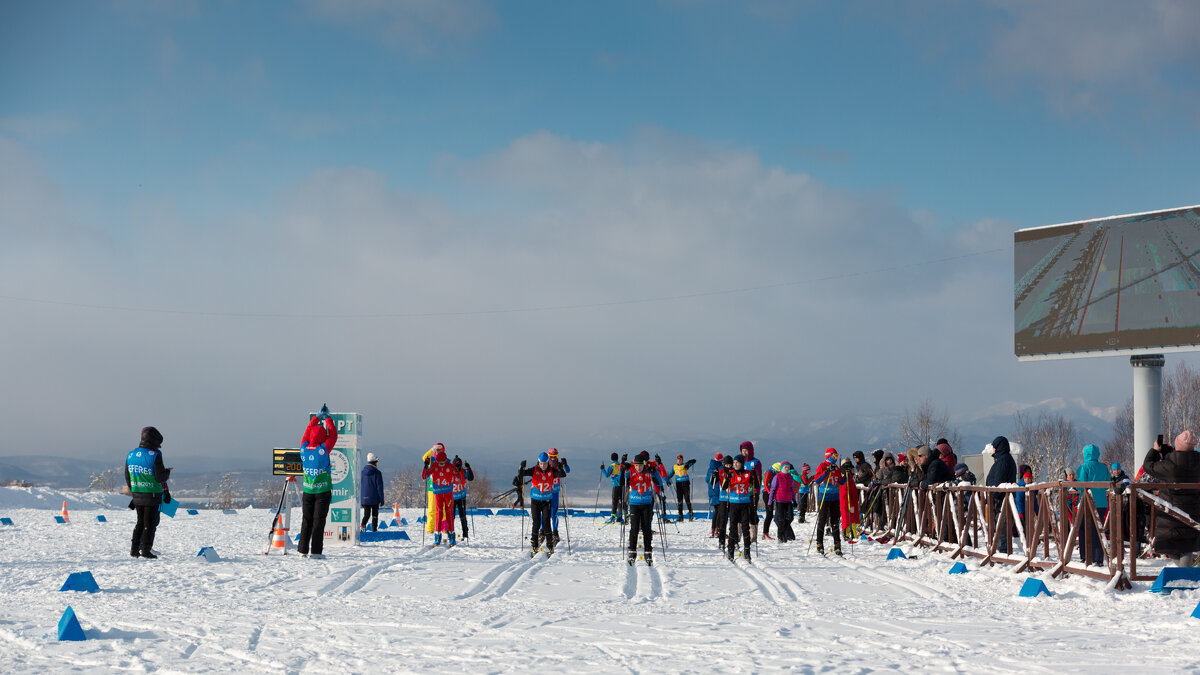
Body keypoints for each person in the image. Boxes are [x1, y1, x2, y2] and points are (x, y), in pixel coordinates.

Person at [1140, 430, 1200, 567]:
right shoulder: (1197, 462)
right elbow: (1184, 462)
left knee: (1166, 545)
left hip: (1171, 511)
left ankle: (1185, 575)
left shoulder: (1169, 465)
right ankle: (1186, 574)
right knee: (1187, 544)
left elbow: (1148, 466)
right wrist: (1170, 453)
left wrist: (1155, 451)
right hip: (1194, 510)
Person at [125, 426, 171, 559]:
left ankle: (134, 550)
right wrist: (167, 473)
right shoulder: (155, 455)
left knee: (140, 523)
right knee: (150, 524)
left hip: (137, 494)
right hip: (152, 494)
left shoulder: (131, 455)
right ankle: (146, 550)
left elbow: (127, 476)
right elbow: (160, 477)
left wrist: (134, 490)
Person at [299, 405, 338, 558]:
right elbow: (333, 435)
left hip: (308, 491)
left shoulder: (303, 448)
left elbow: (306, 433)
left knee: (306, 520)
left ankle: (302, 550)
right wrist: (327, 418)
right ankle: (316, 551)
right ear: (323, 438)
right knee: (318, 521)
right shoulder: (323, 450)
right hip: (322, 492)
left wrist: (315, 418)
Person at [519, 452, 566, 556]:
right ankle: (534, 543)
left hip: (546, 501)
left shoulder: (551, 471)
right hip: (535, 501)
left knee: (546, 522)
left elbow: (562, 475)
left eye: (545, 463)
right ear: (538, 463)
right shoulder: (534, 469)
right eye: (541, 464)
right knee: (536, 522)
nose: (543, 466)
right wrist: (521, 467)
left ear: (547, 463)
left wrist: (560, 467)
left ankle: (549, 544)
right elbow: (522, 474)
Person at [1074, 444, 1110, 565]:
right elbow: (1107, 483)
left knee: (1083, 529)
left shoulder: (1084, 467)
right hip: (1101, 503)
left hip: (1086, 502)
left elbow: (1081, 484)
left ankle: (1085, 555)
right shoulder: (1104, 468)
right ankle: (1098, 558)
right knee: (1098, 530)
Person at [626, 454, 664, 565]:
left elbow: (660, 482)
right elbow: (620, 479)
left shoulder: (648, 472)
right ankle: (632, 552)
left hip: (647, 504)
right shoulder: (631, 472)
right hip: (634, 504)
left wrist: (655, 471)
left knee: (647, 529)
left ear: (643, 464)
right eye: (636, 465)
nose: (638, 468)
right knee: (634, 529)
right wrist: (623, 466)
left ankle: (648, 552)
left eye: (640, 465)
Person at [722, 454, 760, 562]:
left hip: (744, 504)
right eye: (734, 463)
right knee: (733, 528)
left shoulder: (748, 473)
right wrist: (727, 478)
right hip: (734, 504)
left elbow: (756, 486)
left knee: (745, 528)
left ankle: (747, 551)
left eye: (737, 463)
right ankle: (730, 551)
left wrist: (755, 476)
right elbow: (724, 487)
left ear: (742, 463)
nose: (735, 464)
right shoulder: (731, 473)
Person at [809, 448, 845, 555]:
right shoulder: (822, 466)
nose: (836, 457)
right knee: (823, 519)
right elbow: (817, 480)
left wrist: (848, 475)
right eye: (834, 455)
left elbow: (841, 482)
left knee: (835, 521)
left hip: (835, 497)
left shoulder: (836, 468)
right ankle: (819, 544)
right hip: (824, 496)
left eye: (837, 455)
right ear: (829, 455)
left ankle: (837, 545)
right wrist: (826, 472)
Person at [421, 448, 459, 547]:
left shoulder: (449, 466)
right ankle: (437, 538)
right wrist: (425, 466)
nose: (441, 465)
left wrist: (457, 468)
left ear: (446, 460)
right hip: (437, 493)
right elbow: (424, 476)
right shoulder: (434, 465)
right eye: (439, 463)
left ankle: (451, 537)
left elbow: (457, 474)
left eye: (443, 463)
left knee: (449, 513)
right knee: (439, 513)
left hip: (448, 494)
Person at [986, 436, 1017, 553]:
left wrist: (994, 495)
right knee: (1001, 524)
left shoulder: (1003, 460)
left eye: (994, 447)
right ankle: (1002, 549)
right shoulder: (1004, 459)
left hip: (1001, 499)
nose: (993, 449)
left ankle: (1003, 550)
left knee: (1002, 524)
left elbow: (999, 481)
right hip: (1001, 498)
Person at [740, 442, 763, 542]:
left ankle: (753, 536)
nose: (744, 452)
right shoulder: (739, 461)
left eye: (746, 450)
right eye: (743, 450)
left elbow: (759, 477)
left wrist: (756, 490)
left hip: (753, 491)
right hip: (741, 492)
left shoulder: (756, 462)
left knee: (752, 513)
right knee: (741, 514)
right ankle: (738, 536)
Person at [769, 462, 798, 542]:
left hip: (788, 500)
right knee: (781, 519)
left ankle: (783, 532)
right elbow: (772, 489)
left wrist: (794, 500)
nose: (787, 469)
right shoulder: (777, 477)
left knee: (790, 517)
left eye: (788, 467)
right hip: (780, 500)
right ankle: (780, 536)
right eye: (785, 467)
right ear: (782, 468)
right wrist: (770, 502)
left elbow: (792, 489)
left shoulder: (790, 477)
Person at [421, 443, 446, 534]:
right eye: (437, 449)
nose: (438, 451)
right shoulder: (431, 459)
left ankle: (444, 528)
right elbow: (424, 458)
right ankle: (430, 529)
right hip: (432, 487)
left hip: (443, 488)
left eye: (440, 449)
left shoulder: (446, 460)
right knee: (432, 509)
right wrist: (431, 449)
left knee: (443, 508)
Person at [547, 448, 570, 545]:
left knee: (553, 514)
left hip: (555, 492)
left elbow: (567, 471)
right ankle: (542, 531)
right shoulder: (545, 464)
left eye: (555, 457)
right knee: (543, 514)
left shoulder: (559, 464)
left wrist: (565, 464)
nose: (553, 459)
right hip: (546, 493)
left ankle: (555, 533)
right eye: (551, 457)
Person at [712, 455, 734, 552]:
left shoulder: (734, 472)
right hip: (723, 498)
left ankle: (733, 540)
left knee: (733, 520)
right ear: (724, 464)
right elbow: (712, 482)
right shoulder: (720, 471)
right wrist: (714, 476)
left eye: (730, 464)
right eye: (726, 464)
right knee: (723, 520)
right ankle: (721, 540)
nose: (728, 466)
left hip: (733, 498)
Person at [359, 452, 385, 532]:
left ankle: (363, 527)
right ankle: (374, 529)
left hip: (364, 498)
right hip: (374, 498)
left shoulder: (362, 473)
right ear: (375, 462)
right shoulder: (377, 473)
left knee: (366, 514)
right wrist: (382, 499)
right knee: (374, 515)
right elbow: (379, 487)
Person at [451, 456, 474, 540]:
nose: (458, 467)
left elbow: (471, 478)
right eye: (456, 466)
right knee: (451, 516)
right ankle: (450, 533)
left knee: (463, 516)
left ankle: (465, 533)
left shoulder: (463, 472)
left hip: (461, 497)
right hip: (452, 498)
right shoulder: (450, 472)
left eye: (459, 466)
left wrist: (469, 468)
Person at [670, 454, 697, 521]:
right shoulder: (674, 466)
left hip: (685, 484)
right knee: (680, 501)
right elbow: (671, 474)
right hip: (678, 484)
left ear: (682, 460)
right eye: (678, 460)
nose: (679, 461)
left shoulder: (685, 465)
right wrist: (667, 479)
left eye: (680, 460)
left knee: (687, 499)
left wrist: (690, 462)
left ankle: (691, 515)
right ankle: (680, 516)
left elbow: (694, 461)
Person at [601, 452, 625, 523]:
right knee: (621, 501)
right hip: (622, 485)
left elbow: (606, 475)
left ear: (611, 458)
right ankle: (620, 517)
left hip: (615, 485)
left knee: (614, 501)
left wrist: (602, 469)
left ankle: (613, 517)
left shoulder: (612, 466)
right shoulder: (620, 465)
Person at [706, 453, 724, 536]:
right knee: (719, 511)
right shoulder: (720, 467)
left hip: (712, 492)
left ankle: (713, 529)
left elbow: (707, 480)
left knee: (716, 511)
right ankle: (717, 529)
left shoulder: (710, 468)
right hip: (718, 492)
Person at [761, 462, 779, 539]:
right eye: (778, 471)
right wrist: (770, 493)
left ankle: (765, 533)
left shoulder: (771, 472)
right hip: (767, 494)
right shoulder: (769, 472)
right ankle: (765, 533)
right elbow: (765, 484)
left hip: (770, 494)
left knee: (770, 514)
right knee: (769, 514)